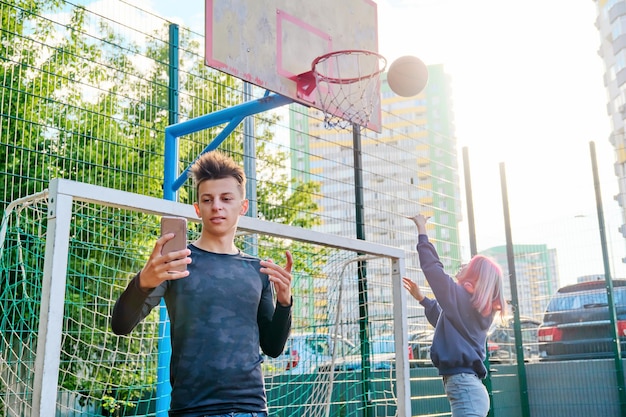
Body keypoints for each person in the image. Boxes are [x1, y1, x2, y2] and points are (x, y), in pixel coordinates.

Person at [111, 150, 293, 417]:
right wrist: (143, 282)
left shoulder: (258, 270)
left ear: (242, 206)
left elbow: (273, 348)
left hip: (251, 409)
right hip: (193, 410)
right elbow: (120, 325)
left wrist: (285, 303)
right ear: (198, 208)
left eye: (226, 198)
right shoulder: (177, 261)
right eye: (207, 199)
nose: (216, 206)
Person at [402, 214, 505, 417]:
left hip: (465, 388)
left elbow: (432, 268)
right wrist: (423, 299)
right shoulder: (470, 307)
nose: (462, 266)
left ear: (475, 276)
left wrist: (422, 230)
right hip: (468, 388)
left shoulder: (461, 298)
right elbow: (445, 321)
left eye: (468, 265)